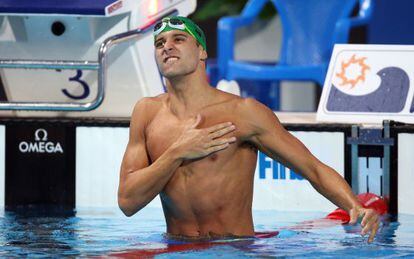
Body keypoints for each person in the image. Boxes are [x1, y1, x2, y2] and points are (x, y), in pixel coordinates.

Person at [117, 16, 380, 243]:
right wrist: (177, 152)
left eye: (178, 39)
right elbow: (128, 202)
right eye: (159, 43)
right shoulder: (147, 113)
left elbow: (312, 168)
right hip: (175, 247)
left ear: (202, 52)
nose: (167, 47)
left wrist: (354, 206)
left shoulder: (243, 112)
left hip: (234, 248)